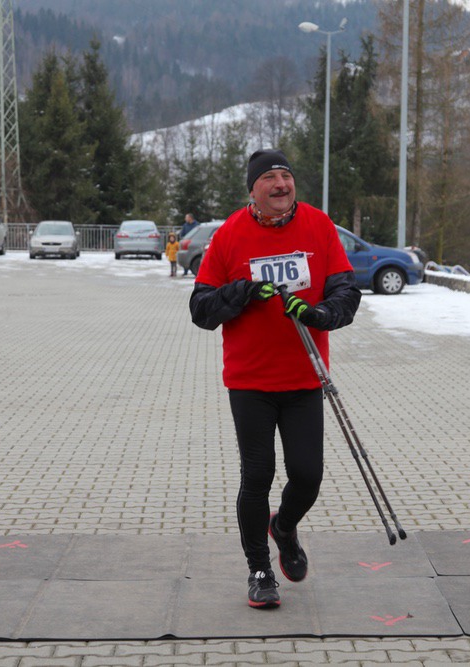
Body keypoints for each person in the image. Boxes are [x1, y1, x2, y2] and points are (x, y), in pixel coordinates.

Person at [189, 149, 361, 608]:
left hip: (305, 377)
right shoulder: (229, 235)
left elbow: (346, 290)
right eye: (270, 177)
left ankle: (283, 527)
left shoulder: (318, 225)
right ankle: (260, 570)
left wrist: (320, 313)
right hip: (251, 382)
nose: (281, 184)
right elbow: (201, 309)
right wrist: (242, 292)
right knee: (258, 474)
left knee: (307, 475)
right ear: (253, 189)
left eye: (286, 175)